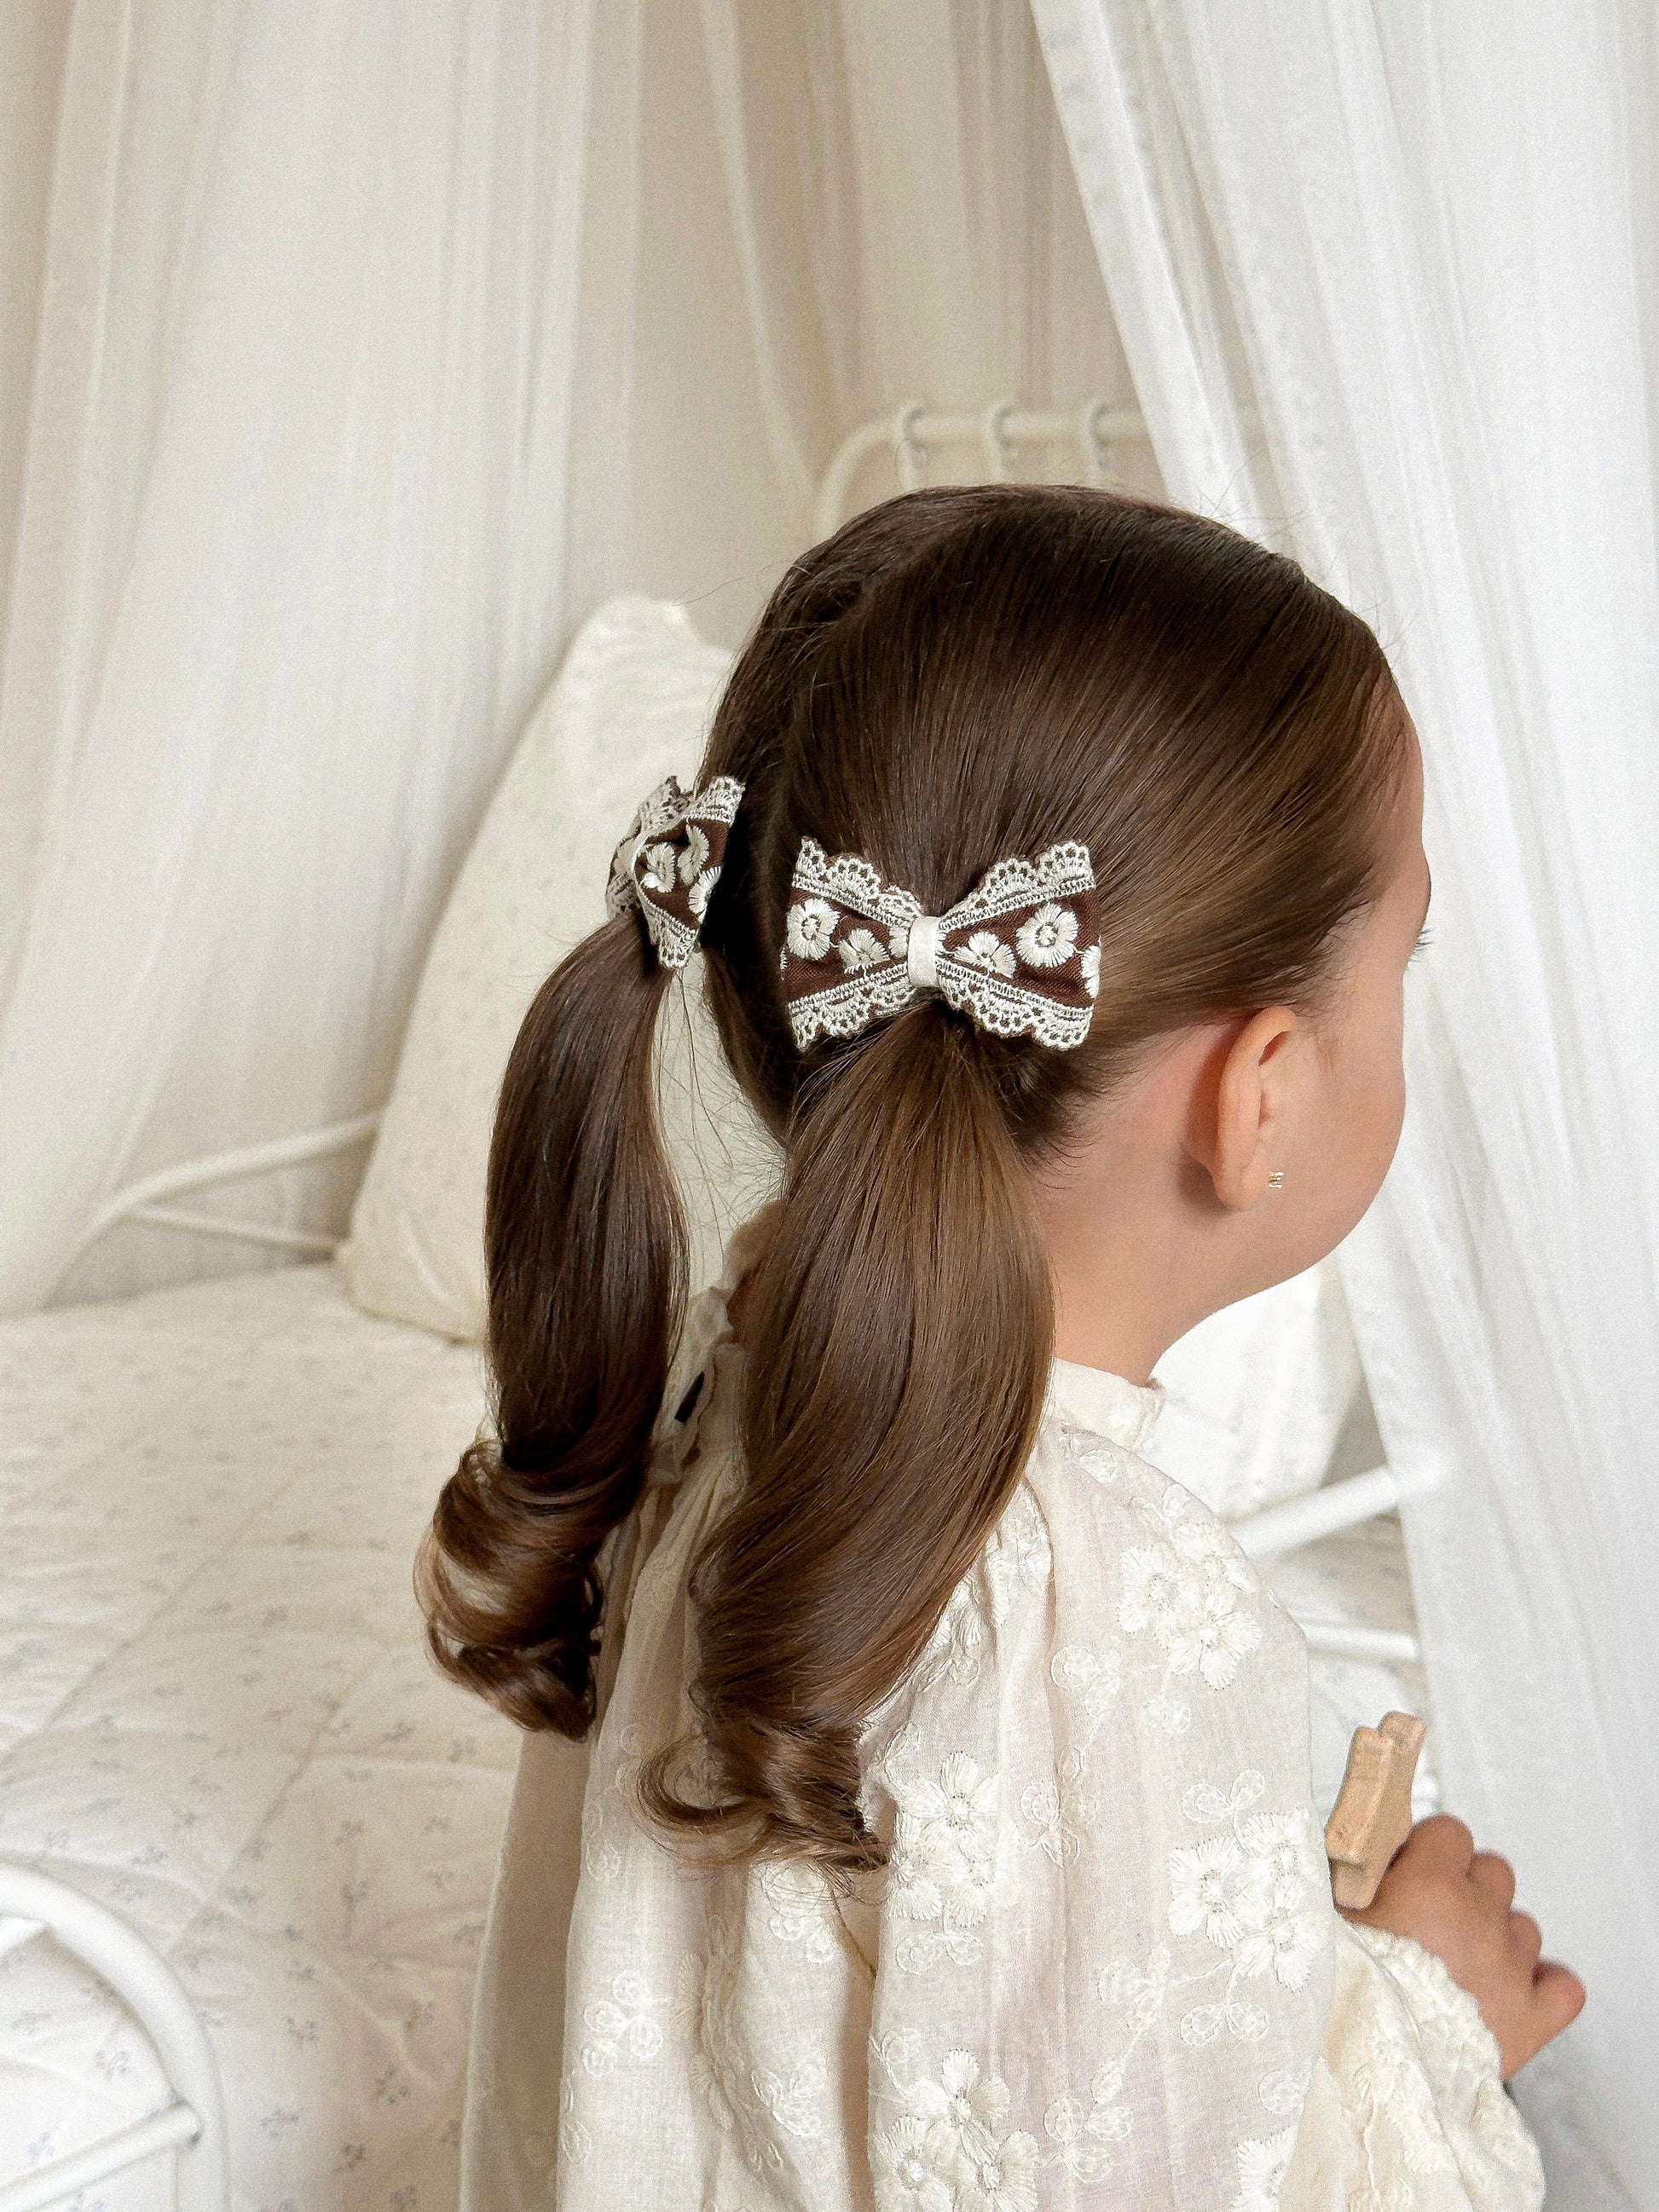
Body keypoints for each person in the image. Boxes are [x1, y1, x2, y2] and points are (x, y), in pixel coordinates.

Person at [421, 485, 1585, 2210]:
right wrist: (1430, 2017)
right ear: (1258, 1095)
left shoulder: (745, 1378)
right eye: (1402, 951)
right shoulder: (1098, 1614)